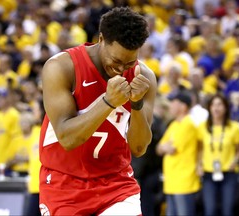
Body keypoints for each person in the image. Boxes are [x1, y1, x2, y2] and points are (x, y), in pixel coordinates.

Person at [39, 7, 157, 215]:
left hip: (115, 183)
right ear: (101, 39)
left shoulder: (143, 76)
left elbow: (139, 148)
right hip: (64, 181)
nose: (122, 69)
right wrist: (108, 102)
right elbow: (67, 139)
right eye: (117, 61)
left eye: (129, 62)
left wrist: (137, 105)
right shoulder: (62, 67)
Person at [156, 90, 201, 216]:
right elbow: (159, 148)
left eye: (174, 102)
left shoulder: (188, 124)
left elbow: (172, 149)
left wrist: (166, 147)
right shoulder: (174, 124)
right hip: (172, 181)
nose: (170, 105)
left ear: (183, 106)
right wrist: (165, 147)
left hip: (184, 182)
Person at [197, 93, 239, 216]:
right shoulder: (202, 127)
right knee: (210, 210)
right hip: (208, 173)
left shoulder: (234, 127)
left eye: (219, 105)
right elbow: (200, 149)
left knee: (228, 210)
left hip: (229, 173)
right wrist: (199, 165)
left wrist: (235, 161)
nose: (216, 108)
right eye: (213, 105)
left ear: (226, 108)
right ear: (209, 108)